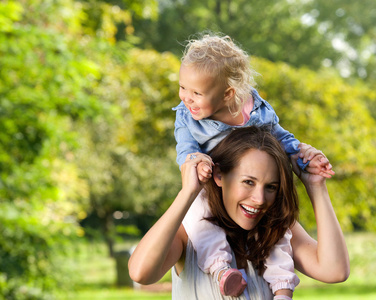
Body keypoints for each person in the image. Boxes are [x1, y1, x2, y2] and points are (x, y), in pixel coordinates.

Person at [173, 33, 335, 298]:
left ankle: (282, 288)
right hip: (209, 186)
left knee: (278, 235)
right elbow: (186, 149)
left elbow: (279, 136)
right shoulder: (187, 117)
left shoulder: (256, 109)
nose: (186, 98)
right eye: (182, 88)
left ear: (228, 93)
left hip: (237, 194)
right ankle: (221, 270)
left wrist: (302, 153)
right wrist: (194, 162)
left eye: (196, 93)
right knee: (201, 221)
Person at [128, 126, 349, 300]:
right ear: (219, 176)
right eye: (248, 182)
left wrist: (316, 186)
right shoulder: (191, 231)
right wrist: (188, 192)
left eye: (270, 186)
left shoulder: (277, 230)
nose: (260, 199)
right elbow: (141, 273)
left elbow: (335, 271)